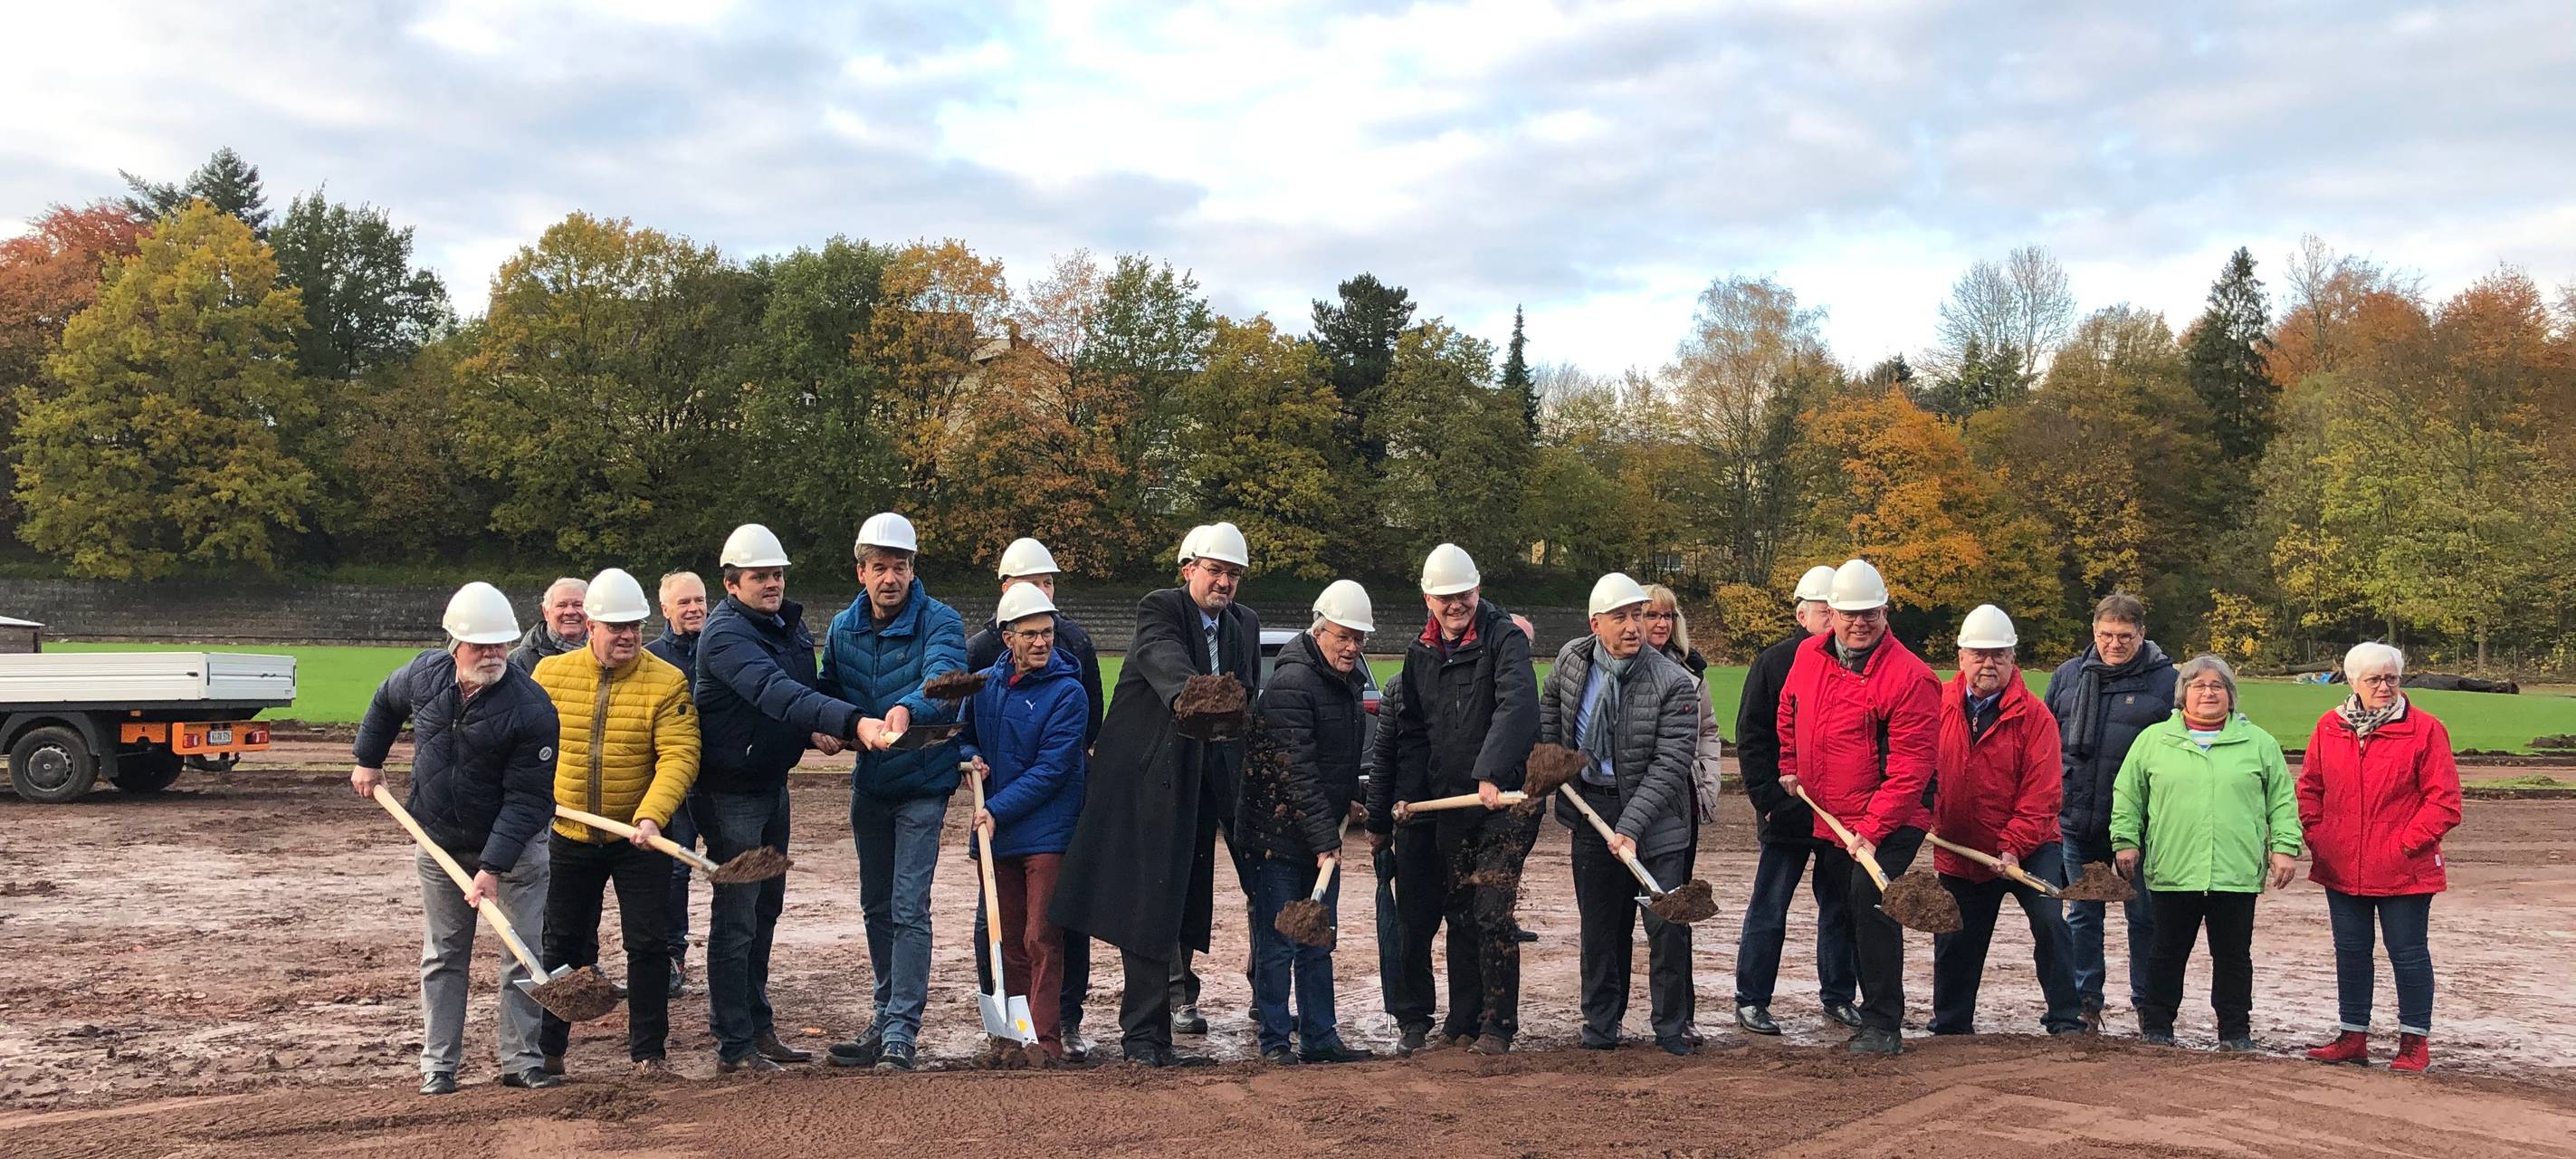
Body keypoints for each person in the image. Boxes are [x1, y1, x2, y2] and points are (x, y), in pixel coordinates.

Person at [1051, 522, 1260, 1068]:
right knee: (1147, 903)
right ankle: (1143, 1040)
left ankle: (1165, 1027)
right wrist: (1199, 695)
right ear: (1189, 569)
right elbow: (1164, 660)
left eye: (1233, 574)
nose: (1224, 583)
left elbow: (1248, 700)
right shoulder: (1160, 608)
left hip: (1202, 785)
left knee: (1181, 902)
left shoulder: (1241, 625)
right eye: (1215, 571)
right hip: (1145, 781)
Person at [350, 581, 562, 1096]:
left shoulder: (532, 708)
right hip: (439, 841)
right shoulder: (426, 673)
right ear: (455, 643)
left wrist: (491, 868)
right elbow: (384, 702)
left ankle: (522, 1062)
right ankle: (438, 1066)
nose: (492, 654)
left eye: (500, 645)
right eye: (481, 645)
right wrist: (367, 760)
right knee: (444, 955)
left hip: (515, 851)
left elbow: (528, 802)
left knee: (521, 952)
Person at [693, 522, 865, 1073]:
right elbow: (772, 690)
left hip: (772, 786)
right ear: (731, 584)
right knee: (737, 916)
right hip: (729, 794)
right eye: (759, 576)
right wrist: (851, 720)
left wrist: (811, 731)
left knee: (765, 910)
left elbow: (793, 702)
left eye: (777, 575)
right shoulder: (724, 637)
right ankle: (735, 1044)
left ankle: (757, 1025)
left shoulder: (786, 627)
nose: (772, 584)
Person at [1363, 542, 1541, 1056]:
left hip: (1503, 802)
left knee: (1490, 910)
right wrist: (1409, 803)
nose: (1454, 605)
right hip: (1448, 805)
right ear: (1427, 599)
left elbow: (1517, 707)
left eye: (1462, 595)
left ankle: (1497, 1025)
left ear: (1477, 590)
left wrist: (1489, 773)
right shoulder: (1420, 654)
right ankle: (1462, 1021)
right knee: (1459, 910)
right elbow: (1414, 735)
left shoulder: (1505, 640)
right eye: (1443, 598)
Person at [530, 568, 701, 1078]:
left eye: (635, 626)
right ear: (591, 626)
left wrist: (652, 815)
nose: (627, 635)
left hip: (639, 839)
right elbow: (526, 750)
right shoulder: (550, 678)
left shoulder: (667, 682)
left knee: (647, 943)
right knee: (562, 943)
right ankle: (548, 1052)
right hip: (568, 835)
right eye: (616, 626)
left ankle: (649, 1052)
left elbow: (679, 755)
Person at [819, 512, 968, 1075]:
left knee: (908, 907)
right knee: (875, 905)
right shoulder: (841, 628)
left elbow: (946, 683)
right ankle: (883, 1015)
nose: (890, 578)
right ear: (862, 571)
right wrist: (827, 725)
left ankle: (903, 1028)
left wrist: (907, 709)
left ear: (912, 570)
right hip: (871, 785)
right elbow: (830, 690)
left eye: (900, 567)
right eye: (879, 567)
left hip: (923, 784)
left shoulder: (942, 620)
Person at [1776, 558, 1939, 1057]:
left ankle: (1884, 1022)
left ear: (1885, 612)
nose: (1859, 623)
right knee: (1842, 905)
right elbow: (1789, 710)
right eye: (1849, 614)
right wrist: (1789, 764)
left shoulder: (1912, 677)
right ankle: (1843, 1000)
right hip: (1831, 816)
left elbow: (1911, 769)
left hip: (1893, 818)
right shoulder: (1808, 656)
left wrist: (1871, 829)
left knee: (1872, 903)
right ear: (1832, 613)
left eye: (1870, 613)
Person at [1541, 573, 1701, 1055]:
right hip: (1592, 808)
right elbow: (1551, 701)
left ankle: (1671, 1027)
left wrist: (1630, 827)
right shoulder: (1572, 659)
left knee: (1665, 924)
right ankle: (1600, 1024)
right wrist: (1554, 760)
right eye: (1622, 618)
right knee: (1601, 925)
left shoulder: (1674, 681)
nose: (1634, 627)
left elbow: (1672, 762)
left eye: (1639, 615)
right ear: (1596, 624)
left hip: (1658, 819)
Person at [2111, 655, 2302, 1050]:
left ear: (2231, 696)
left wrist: (2284, 848)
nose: (2208, 693)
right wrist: (2125, 841)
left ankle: (2235, 1031)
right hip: (2173, 868)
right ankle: (2158, 1025)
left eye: (2217, 686)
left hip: (2235, 871)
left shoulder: (2259, 743)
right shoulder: (2153, 741)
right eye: (2198, 686)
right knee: (2166, 952)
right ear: (2183, 695)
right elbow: (2128, 796)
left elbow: (2282, 801)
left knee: (2233, 956)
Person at [963, 536, 1103, 1058]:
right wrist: (972, 758)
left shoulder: (1068, 693)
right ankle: (1011, 1034)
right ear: (1007, 638)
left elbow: (1052, 770)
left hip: (1044, 832)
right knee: (1006, 940)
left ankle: (1045, 1040)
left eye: (1047, 633)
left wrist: (994, 809)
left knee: (1041, 939)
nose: (1042, 643)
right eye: (1030, 635)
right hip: (997, 833)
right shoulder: (984, 685)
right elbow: (966, 732)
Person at [2299, 642, 2461, 1074]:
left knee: (2408, 954)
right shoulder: (2329, 727)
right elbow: (2310, 789)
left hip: (2404, 869)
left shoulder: (2426, 729)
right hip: (2340, 865)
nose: (2384, 686)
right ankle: (2353, 1036)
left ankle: (2414, 1043)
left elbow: (2444, 802)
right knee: (2350, 952)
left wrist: (2404, 845)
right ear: (2352, 682)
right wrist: (2320, 837)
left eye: (2391, 678)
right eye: (2374, 679)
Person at [1240, 580, 1379, 1066]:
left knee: (1318, 939)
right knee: (1279, 943)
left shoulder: (1346, 682)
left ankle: (1320, 1038)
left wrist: (1350, 803)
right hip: (1276, 838)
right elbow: (1294, 770)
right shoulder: (1292, 685)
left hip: (1319, 831)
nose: (1352, 647)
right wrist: (1324, 838)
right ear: (1319, 630)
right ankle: (1276, 1042)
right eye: (1343, 636)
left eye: (1359, 639)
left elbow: (1333, 765)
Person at [1928, 605, 2082, 1038]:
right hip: (1961, 846)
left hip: (2032, 846)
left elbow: (2043, 794)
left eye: (1998, 655)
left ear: (2013, 659)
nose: (1987, 664)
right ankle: (1952, 1023)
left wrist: (2012, 845)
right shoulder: (1935, 704)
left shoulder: (2036, 717)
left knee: (2051, 924)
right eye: (1978, 655)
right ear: (1961, 658)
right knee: (1955, 935)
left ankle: (2066, 1017)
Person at [1732, 564, 1861, 1035]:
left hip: (1840, 815)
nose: (1832, 620)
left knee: (1841, 908)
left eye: (1837, 611)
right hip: (1785, 815)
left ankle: (1839, 997)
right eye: (1823, 612)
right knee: (1770, 907)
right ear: (1802, 613)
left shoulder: (1857, 663)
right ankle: (1751, 999)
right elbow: (1752, 737)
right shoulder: (1774, 662)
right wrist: (1768, 800)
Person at [2046, 592, 2177, 1033]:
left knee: (2144, 918)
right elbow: (2047, 742)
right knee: (2083, 915)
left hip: (2141, 828)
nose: (2114, 644)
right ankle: (2086, 1000)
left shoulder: (2166, 682)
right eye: (2106, 635)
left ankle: (2146, 1004)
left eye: (2124, 636)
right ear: (2094, 632)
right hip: (2076, 820)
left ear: (2142, 634)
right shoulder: (2067, 676)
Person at [645, 570, 709, 993]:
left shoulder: (725, 649)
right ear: (665, 609)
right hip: (673, 785)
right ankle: (672, 957)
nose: (694, 609)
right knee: (673, 872)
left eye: (700, 600)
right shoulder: (650, 659)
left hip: (722, 780)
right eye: (684, 602)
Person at [510, 577, 589, 674]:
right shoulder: (520, 661)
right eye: (561, 605)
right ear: (546, 612)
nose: (570, 612)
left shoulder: (605, 656)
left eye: (578, 605)